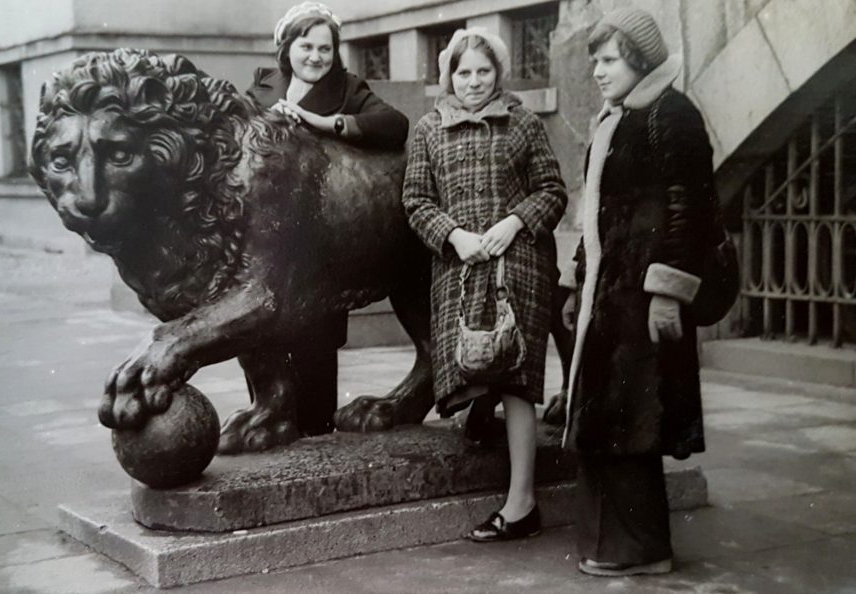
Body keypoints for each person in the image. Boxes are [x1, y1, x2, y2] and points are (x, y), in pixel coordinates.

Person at [560, 7, 714, 576]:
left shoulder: (671, 115)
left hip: (642, 301)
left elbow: (689, 208)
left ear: (638, 58)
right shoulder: (617, 117)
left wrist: (669, 292)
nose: (598, 71)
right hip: (612, 297)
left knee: (635, 421)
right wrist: (578, 280)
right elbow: (595, 215)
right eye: (595, 61)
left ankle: (641, 550)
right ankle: (614, 546)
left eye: (607, 60)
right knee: (610, 419)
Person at [402, 27, 567, 542]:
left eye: (483, 71)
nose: (474, 82)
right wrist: (452, 235)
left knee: (515, 375)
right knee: (474, 360)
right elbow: (415, 201)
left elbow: (552, 190)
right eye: (463, 72)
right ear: (449, 75)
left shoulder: (522, 122)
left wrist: (513, 223)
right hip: (459, 265)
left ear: (498, 73)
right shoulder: (429, 129)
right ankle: (479, 423)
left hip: (518, 262)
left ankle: (522, 503)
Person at [246, 2, 409, 436]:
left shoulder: (348, 88)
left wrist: (323, 122)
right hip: (264, 249)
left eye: (325, 48)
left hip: (317, 251)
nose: (316, 56)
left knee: (313, 362)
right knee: (263, 354)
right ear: (287, 47)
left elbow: (395, 125)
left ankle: (317, 444)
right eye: (306, 46)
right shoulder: (262, 87)